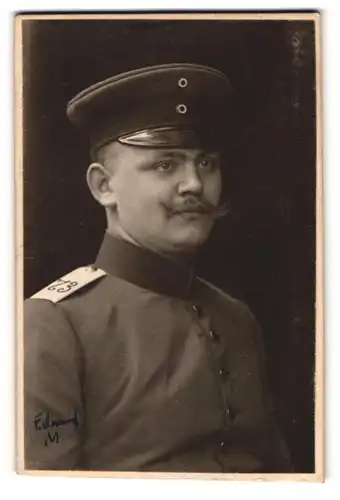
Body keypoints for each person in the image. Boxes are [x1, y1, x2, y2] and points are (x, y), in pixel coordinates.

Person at [24, 63, 291, 472]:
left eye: (206, 163)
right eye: (165, 165)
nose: (195, 185)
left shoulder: (236, 318)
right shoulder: (53, 324)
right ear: (104, 187)